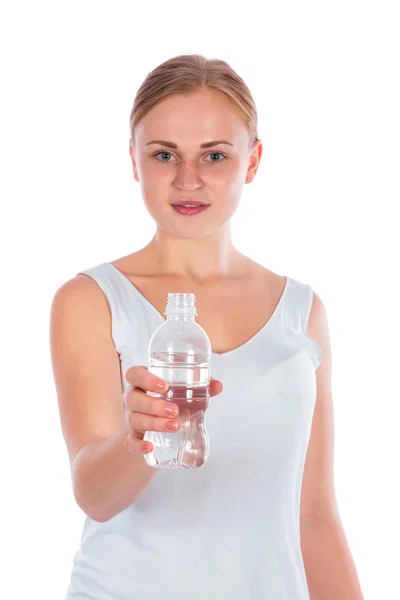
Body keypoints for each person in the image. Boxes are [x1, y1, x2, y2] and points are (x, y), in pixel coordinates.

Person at [50, 54, 363, 600]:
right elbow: (95, 495)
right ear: (134, 160)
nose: (188, 179)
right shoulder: (90, 300)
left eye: (214, 155)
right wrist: (137, 437)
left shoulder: (302, 311)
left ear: (253, 160)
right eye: (164, 154)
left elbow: (313, 516)